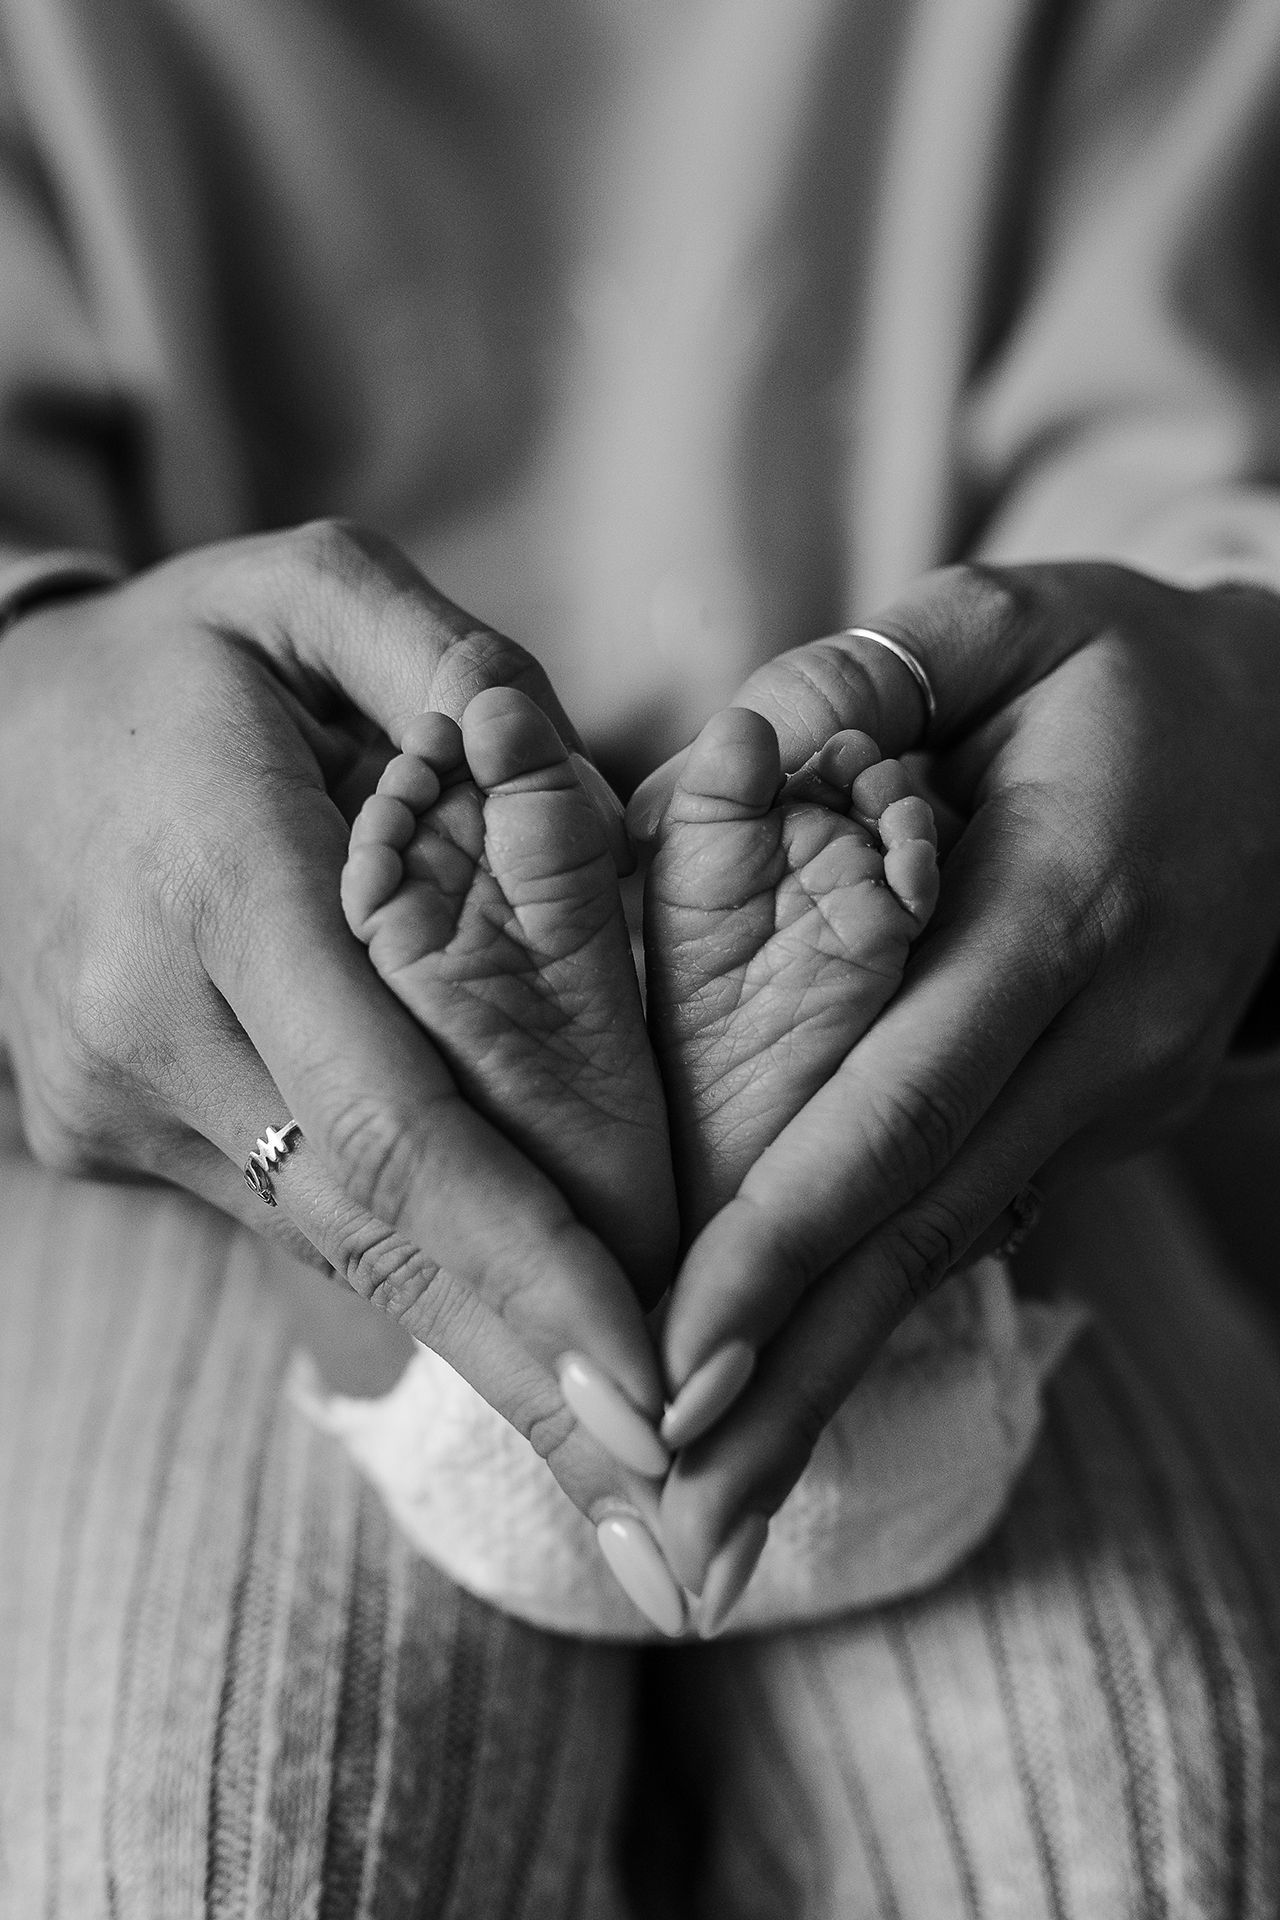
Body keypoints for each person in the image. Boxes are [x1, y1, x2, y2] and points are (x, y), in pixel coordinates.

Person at [5, 0, 1280, 1912]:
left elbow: (1205, 378)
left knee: (1132, 1822)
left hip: (1014, 1007)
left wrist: (1232, 689)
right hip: (187, 1047)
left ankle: (589, 1112)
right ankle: (644, 1094)